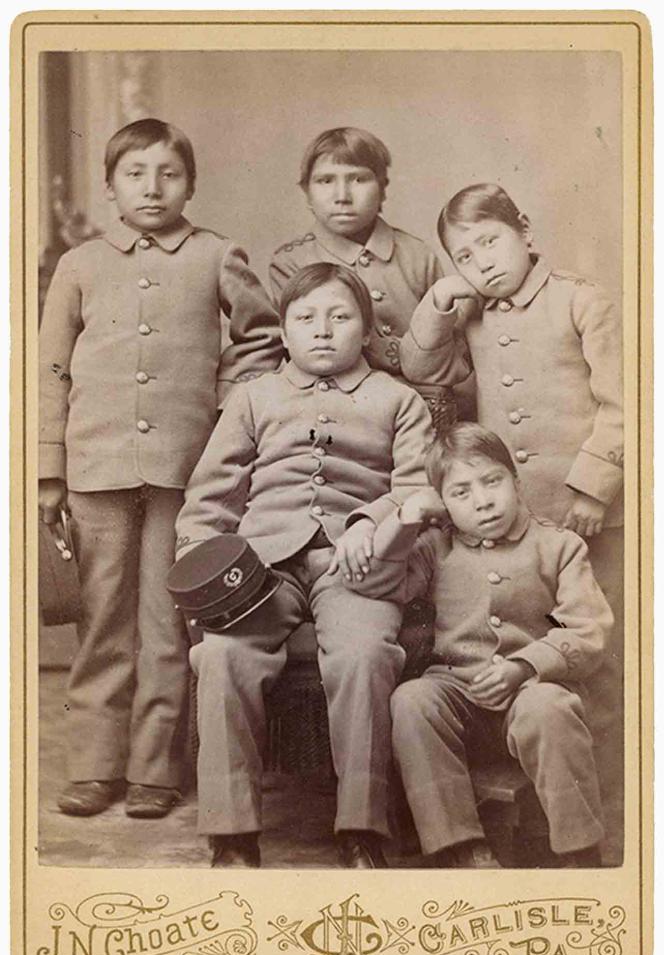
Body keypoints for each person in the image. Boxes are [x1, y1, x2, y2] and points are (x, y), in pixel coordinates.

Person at [38, 118, 282, 819]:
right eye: (135, 173)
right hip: (95, 469)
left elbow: (261, 338)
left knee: (167, 618)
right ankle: (93, 765)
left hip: (186, 470)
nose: (152, 186)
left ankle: (155, 768)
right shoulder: (79, 265)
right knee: (101, 620)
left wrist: (224, 419)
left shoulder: (215, 255)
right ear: (110, 189)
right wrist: (49, 468)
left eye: (168, 173)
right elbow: (49, 369)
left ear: (190, 184)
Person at [174, 261, 434, 868]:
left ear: (367, 330)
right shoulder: (254, 397)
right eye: (306, 318)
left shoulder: (399, 400)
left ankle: (361, 828)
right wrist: (197, 569)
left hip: (360, 566)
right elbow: (210, 496)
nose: (323, 331)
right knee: (223, 653)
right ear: (284, 333)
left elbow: (419, 489)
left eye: (340, 317)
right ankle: (232, 834)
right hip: (261, 569)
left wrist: (371, 521)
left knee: (365, 655)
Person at [400, 183, 624, 847]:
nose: (484, 262)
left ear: (524, 232)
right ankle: (529, 807)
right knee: (527, 659)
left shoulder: (582, 299)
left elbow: (625, 402)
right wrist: (440, 304)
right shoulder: (471, 314)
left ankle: (598, 812)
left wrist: (592, 486)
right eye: (465, 256)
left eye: (491, 241)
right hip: (505, 515)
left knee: (597, 666)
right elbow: (421, 366)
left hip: (583, 511)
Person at [344, 423, 613, 868]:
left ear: (517, 482)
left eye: (492, 482)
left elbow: (587, 630)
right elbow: (376, 585)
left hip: (530, 693)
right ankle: (461, 848)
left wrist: (525, 666)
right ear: (443, 504)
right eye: (461, 492)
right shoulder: (436, 547)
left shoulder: (559, 546)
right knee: (412, 700)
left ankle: (579, 851)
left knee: (549, 709)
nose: (483, 501)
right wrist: (408, 518)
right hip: (458, 698)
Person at [268, 127, 470, 406]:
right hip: (336, 405)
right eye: (325, 181)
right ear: (307, 192)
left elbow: (450, 344)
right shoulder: (291, 262)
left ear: (383, 187)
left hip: (424, 404)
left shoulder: (417, 255)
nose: (342, 196)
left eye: (359, 179)